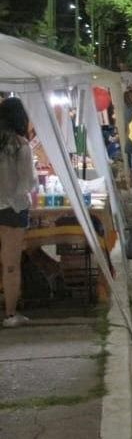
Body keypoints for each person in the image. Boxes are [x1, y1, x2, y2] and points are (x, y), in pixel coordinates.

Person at [0, 98, 36, 328]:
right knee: (10, 264)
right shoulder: (21, 145)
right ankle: (11, 314)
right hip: (13, 209)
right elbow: (27, 182)